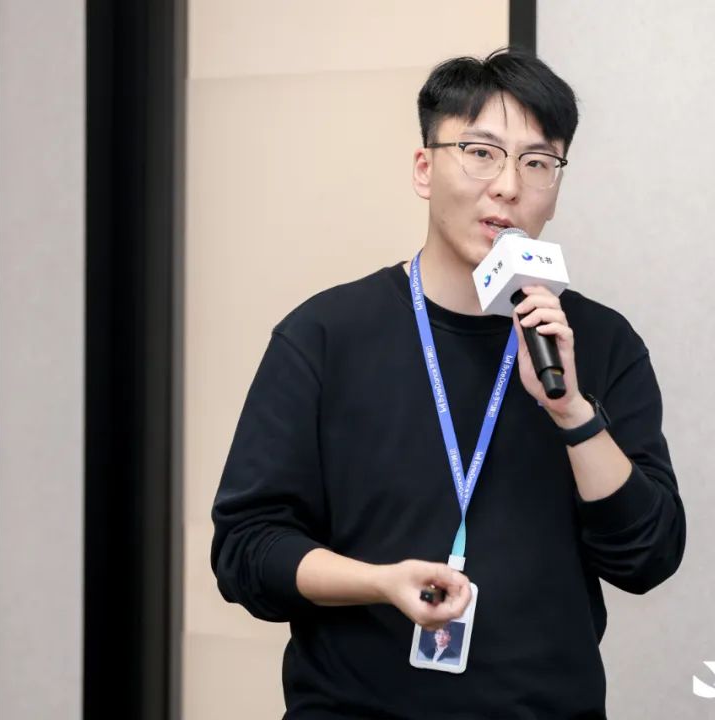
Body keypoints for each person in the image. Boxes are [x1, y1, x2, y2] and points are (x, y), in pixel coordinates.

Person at [211, 48, 686, 719]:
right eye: (481, 153)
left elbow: (649, 556)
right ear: (424, 169)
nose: (509, 185)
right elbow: (246, 550)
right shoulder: (323, 336)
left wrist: (573, 411)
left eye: (538, 162)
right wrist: (380, 582)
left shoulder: (599, 344)